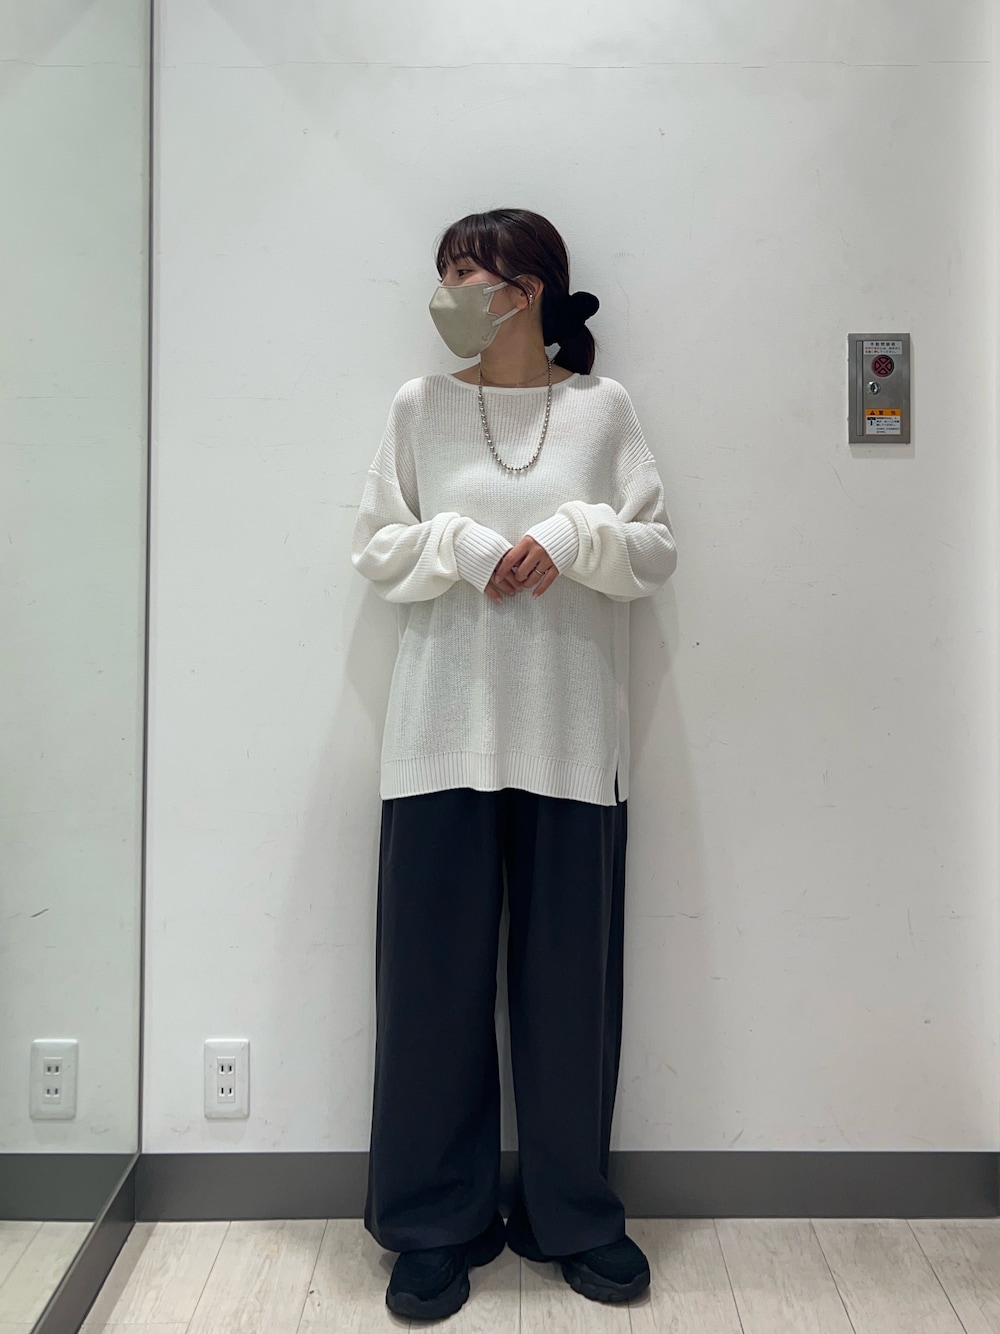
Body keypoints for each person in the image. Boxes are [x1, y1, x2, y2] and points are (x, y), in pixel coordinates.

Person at [350, 207, 678, 1321]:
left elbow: (654, 549)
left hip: (572, 745)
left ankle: (570, 1215)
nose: (448, 294)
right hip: (438, 741)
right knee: (429, 997)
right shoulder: (419, 407)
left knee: (569, 998)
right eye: (444, 272)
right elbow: (376, 544)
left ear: (526, 289)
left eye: (466, 274)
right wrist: (456, 539)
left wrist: (577, 532)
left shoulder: (602, 409)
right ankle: (434, 1223)